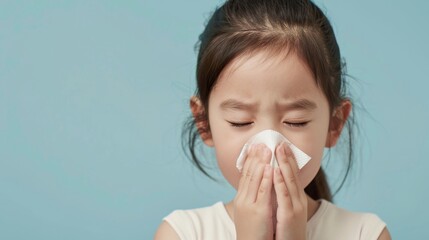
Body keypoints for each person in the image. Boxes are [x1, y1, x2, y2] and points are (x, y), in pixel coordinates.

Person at [155, 0, 391, 239]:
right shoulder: (181, 233)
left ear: (334, 124)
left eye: (296, 121)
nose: (270, 147)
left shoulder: (366, 233)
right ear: (204, 123)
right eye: (241, 121)